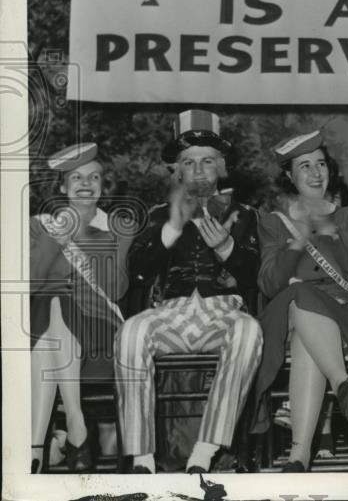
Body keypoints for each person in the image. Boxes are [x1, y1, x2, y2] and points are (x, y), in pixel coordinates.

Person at [115, 110, 262, 474]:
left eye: (207, 160)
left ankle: (205, 451)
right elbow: (138, 274)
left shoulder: (244, 216)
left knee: (249, 331)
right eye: (188, 162)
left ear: (222, 167)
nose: (198, 170)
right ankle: (142, 457)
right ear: (176, 171)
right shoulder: (156, 216)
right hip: (172, 313)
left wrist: (227, 247)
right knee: (131, 331)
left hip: (223, 312)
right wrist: (169, 231)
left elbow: (256, 277)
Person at [251, 131, 348, 472]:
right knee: (300, 294)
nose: (316, 173)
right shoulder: (275, 223)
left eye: (320, 164)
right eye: (305, 166)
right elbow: (271, 284)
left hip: (342, 313)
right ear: (290, 176)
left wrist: (336, 233)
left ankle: (299, 456)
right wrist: (296, 241)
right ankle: (342, 383)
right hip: (286, 313)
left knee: (307, 334)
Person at [30, 143, 132, 473]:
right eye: (75, 177)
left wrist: (88, 237)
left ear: (104, 185)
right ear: (62, 186)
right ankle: (75, 429)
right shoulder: (39, 225)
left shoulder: (118, 226)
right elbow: (29, 283)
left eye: (94, 177)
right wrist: (54, 241)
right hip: (46, 328)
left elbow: (116, 290)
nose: (85, 184)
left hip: (100, 328)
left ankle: (37, 449)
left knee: (52, 313)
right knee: (51, 312)